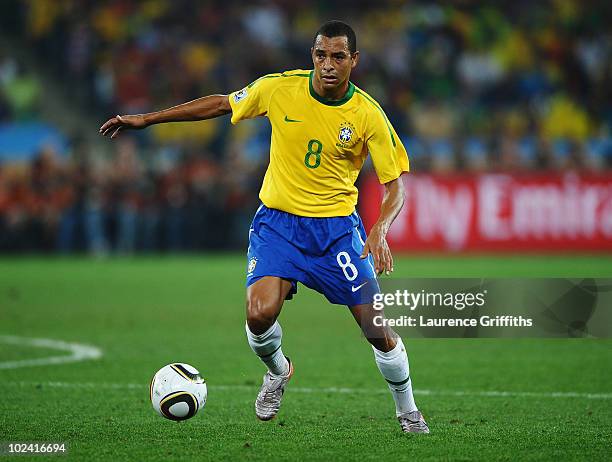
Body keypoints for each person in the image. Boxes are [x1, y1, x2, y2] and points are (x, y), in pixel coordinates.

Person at [100, 20, 429, 434]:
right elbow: (222, 103)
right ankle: (278, 370)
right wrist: (147, 119)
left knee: (376, 328)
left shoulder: (367, 115)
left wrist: (380, 227)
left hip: (337, 233)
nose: (328, 64)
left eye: (338, 57)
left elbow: (394, 185)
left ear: (354, 61)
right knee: (258, 314)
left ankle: (408, 410)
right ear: (313, 55)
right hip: (278, 226)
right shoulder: (279, 88)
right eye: (320, 55)